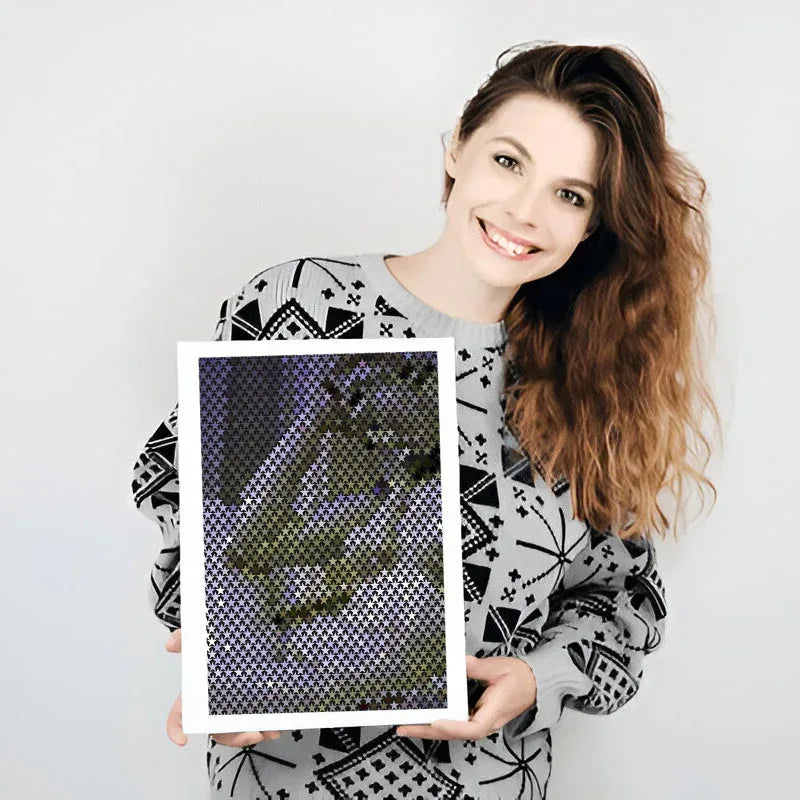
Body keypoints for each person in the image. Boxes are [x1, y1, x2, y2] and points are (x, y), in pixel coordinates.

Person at [130, 41, 720, 799]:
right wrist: (222, 653)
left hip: (486, 781)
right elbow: (180, 494)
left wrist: (534, 678)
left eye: (570, 196)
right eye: (509, 162)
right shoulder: (300, 307)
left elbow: (623, 604)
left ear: (591, 227)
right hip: (284, 779)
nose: (523, 212)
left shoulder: (590, 385)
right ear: (456, 149)